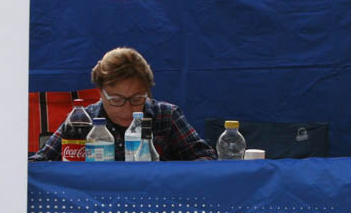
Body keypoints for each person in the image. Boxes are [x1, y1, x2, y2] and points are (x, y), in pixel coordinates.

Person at [29, 47, 216, 161]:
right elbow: (39, 163)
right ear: (100, 92)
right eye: (116, 100)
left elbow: (206, 158)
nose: (127, 110)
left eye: (137, 99)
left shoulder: (167, 115)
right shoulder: (82, 121)